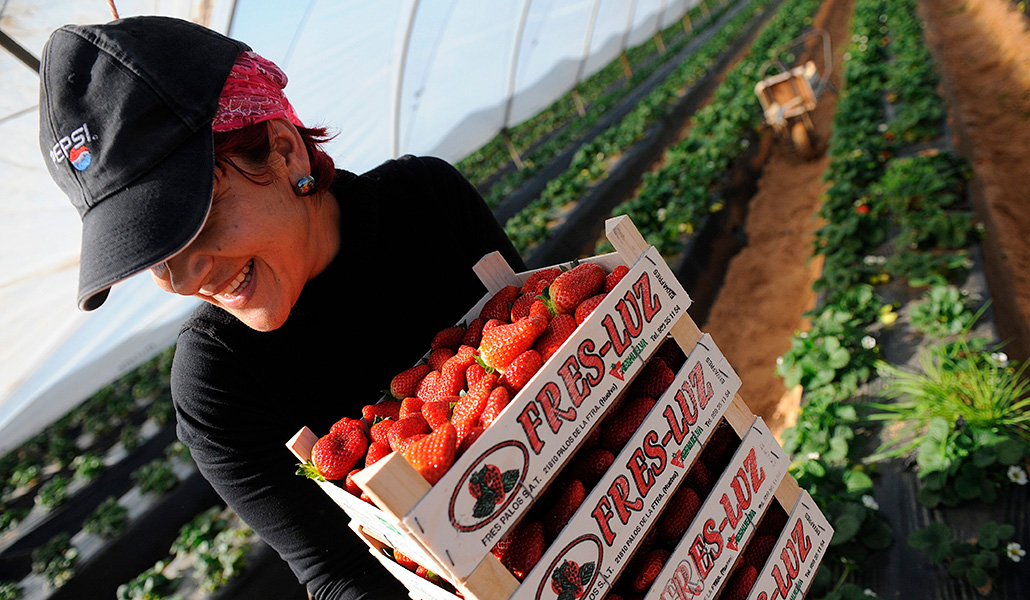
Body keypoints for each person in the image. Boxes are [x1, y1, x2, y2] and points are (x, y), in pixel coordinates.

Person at [39, 15, 526, 600]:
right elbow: (337, 571)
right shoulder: (218, 384)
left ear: (286, 152)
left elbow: (548, 344)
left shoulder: (426, 202)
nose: (189, 275)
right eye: (153, 253)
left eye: (200, 217)